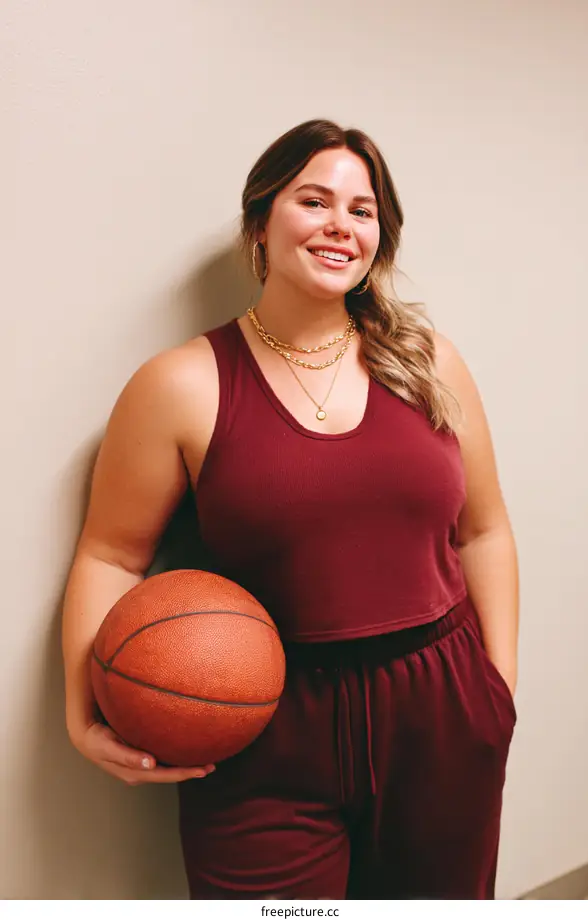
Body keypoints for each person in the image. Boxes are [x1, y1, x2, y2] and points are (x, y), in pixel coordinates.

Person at [62, 119, 519, 900]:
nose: (341, 224)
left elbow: (484, 530)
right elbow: (110, 555)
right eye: (314, 200)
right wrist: (83, 712)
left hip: (439, 706)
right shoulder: (182, 384)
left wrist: (496, 691)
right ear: (260, 223)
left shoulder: (429, 362)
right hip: (263, 721)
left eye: (363, 209)